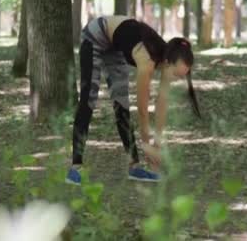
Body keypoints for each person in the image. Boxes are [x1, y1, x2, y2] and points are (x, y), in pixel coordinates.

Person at [66, 15, 200, 185]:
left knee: (121, 104)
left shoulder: (167, 60)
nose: (175, 79)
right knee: (88, 99)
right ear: (167, 63)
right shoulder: (147, 62)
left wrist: (157, 145)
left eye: (180, 77)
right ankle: (75, 166)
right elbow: (143, 111)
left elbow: (161, 105)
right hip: (95, 35)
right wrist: (147, 147)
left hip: (114, 46)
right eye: (175, 74)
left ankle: (134, 166)